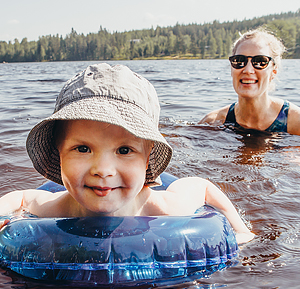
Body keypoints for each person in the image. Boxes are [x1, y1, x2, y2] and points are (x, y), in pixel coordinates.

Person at [0, 63, 254, 244]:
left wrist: (241, 231)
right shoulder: (56, 207)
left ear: (147, 158)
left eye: (124, 150)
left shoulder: (165, 207)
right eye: (83, 148)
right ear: (59, 152)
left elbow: (201, 187)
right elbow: (21, 198)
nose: (103, 169)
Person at [199, 28, 300, 135]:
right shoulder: (213, 122)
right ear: (232, 69)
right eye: (239, 60)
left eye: (260, 62)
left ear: (273, 72)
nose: (248, 70)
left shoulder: (295, 122)